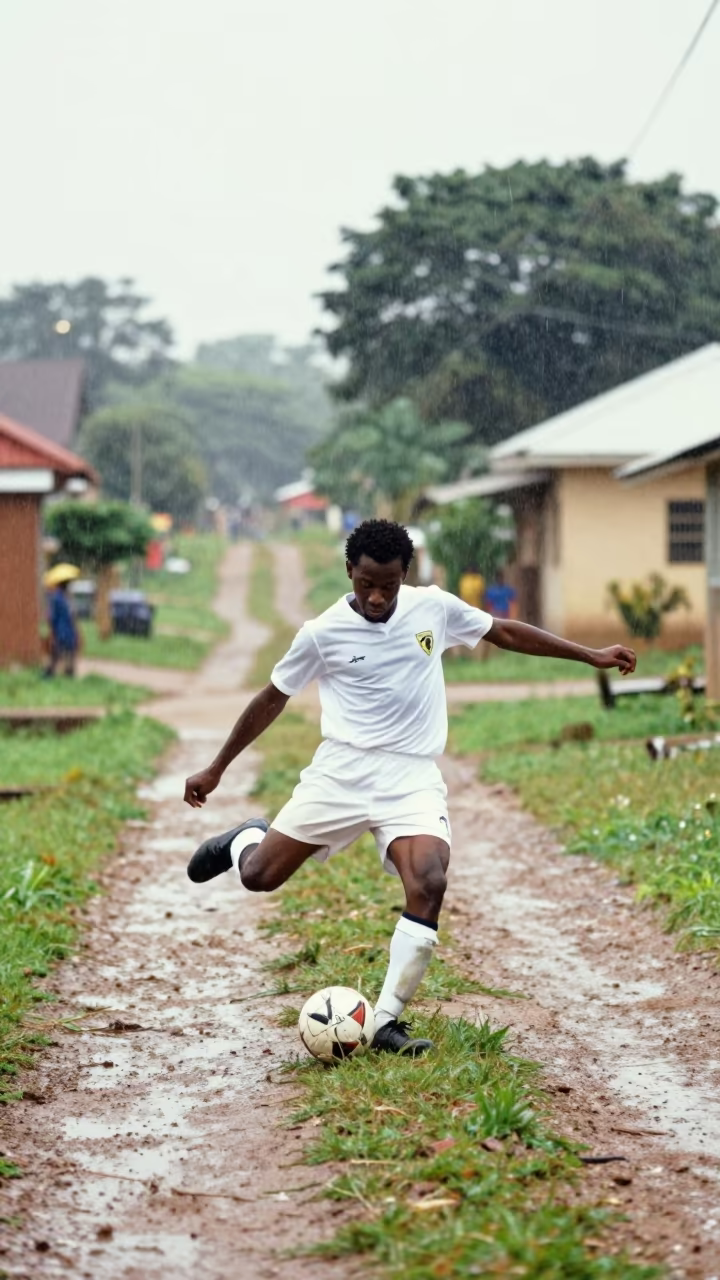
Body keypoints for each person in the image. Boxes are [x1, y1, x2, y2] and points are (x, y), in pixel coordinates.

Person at [183, 520, 636, 1056]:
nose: (377, 597)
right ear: (349, 571)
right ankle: (246, 838)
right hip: (342, 772)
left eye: (389, 585)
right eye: (366, 584)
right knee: (259, 877)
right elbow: (272, 698)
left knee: (429, 881)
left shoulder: (433, 608)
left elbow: (505, 632)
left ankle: (384, 1023)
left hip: (411, 776)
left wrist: (589, 655)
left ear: (405, 575)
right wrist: (217, 768)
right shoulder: (322, 633)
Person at [45, 579, 80, 677]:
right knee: (57, 653)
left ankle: (67, 673)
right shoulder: (57, 598)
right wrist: (52, 631)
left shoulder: (66, 598)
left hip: (68, 631)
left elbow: (72, 616)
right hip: (61, 631)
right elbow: (51, 616)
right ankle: (49, 673)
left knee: (67, 653)